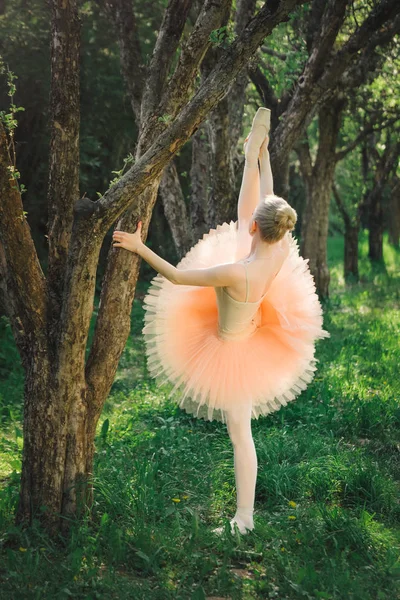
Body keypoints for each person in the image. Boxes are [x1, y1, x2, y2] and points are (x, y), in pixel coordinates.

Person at [112, 107, 330, 536]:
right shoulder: (279, 249)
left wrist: (138, 246)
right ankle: (254, 150)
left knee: (239, 431)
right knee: (241, 433)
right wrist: (264, 157)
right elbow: (266, 202)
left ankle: (244, 518)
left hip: (232, 346)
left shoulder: (236, 270)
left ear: (256, 227)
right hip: (250, 322)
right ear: (278, 230)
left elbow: (176, 276)